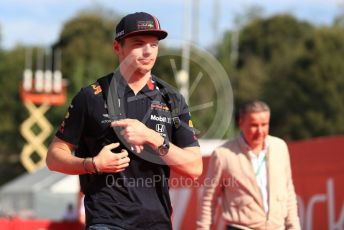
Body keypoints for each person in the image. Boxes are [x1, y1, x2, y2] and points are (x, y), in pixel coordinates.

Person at [46, 12, 202, 230]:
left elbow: (194, 167)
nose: (148, 51)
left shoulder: (172, 99)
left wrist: (153, 138)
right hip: (106, 220)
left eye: (154, 44)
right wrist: (93, 164)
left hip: (157, 222)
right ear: (117, 47)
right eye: (138, 44)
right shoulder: (91, 96)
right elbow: (54, 157)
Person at [197, 100, 300, 230]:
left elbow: (288, 192)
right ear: (241, 123)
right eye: (254, 125)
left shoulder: (280, 147)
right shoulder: (223, 154)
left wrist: (294, 227)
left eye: (264, 124)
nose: (260, 131)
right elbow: (208, 199)